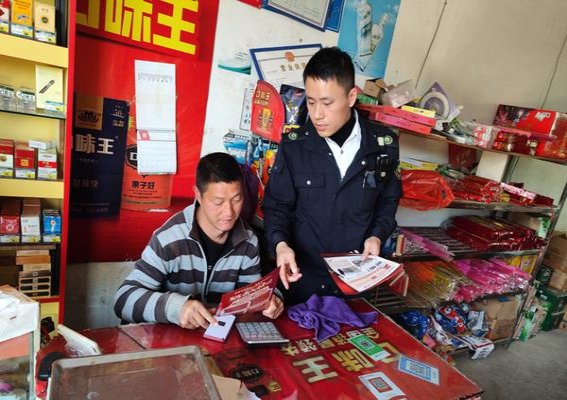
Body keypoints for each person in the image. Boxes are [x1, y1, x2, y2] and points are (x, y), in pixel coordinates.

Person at [262, 47, 402, 305]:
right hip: (301, 281)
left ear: (351, 96)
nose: (317, 114)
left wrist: (377, 235)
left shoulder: (383, 145)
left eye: (327, 103)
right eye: (311, 102)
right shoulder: (295, 146)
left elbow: (388, 200)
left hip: (354, 282)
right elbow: (277, 206)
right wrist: (280, 244)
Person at [114, 152, 283, 329]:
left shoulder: (248, 241)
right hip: (169, 339)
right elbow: (123, 300)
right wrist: (176, 307)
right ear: (198, 195)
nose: (229, 212)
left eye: (236, 199)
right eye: (218, 202)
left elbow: (251, 296)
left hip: (215, 338)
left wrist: (269, 300)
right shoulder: (169, 239)